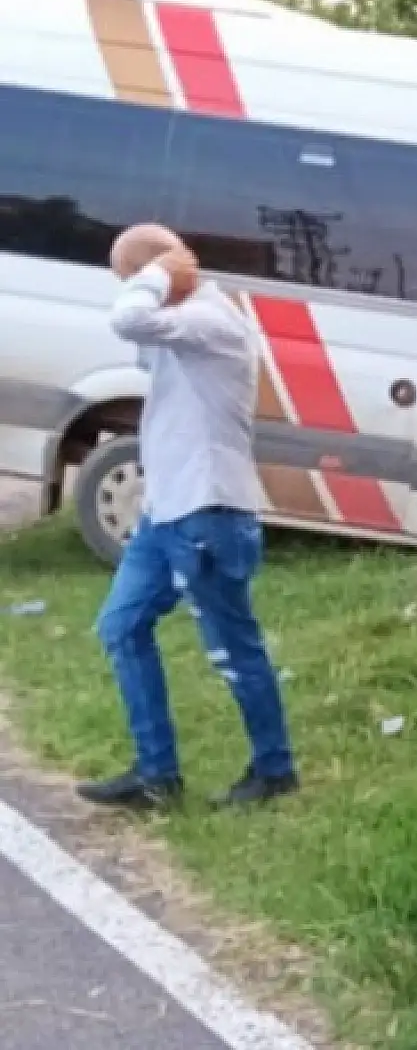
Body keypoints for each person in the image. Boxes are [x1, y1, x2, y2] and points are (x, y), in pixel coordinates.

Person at [77, 223, 299, 810]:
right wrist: (158, 277)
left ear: (169, 274)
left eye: (134, 278)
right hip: (166, 512)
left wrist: (159, 273)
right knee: (121, 627)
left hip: (209, 513)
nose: (132, 291)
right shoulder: (183, 324)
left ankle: (274, 770)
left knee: (233, 649)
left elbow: (127, 319)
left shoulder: (212, 322)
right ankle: (156, 776)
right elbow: (138, 330)